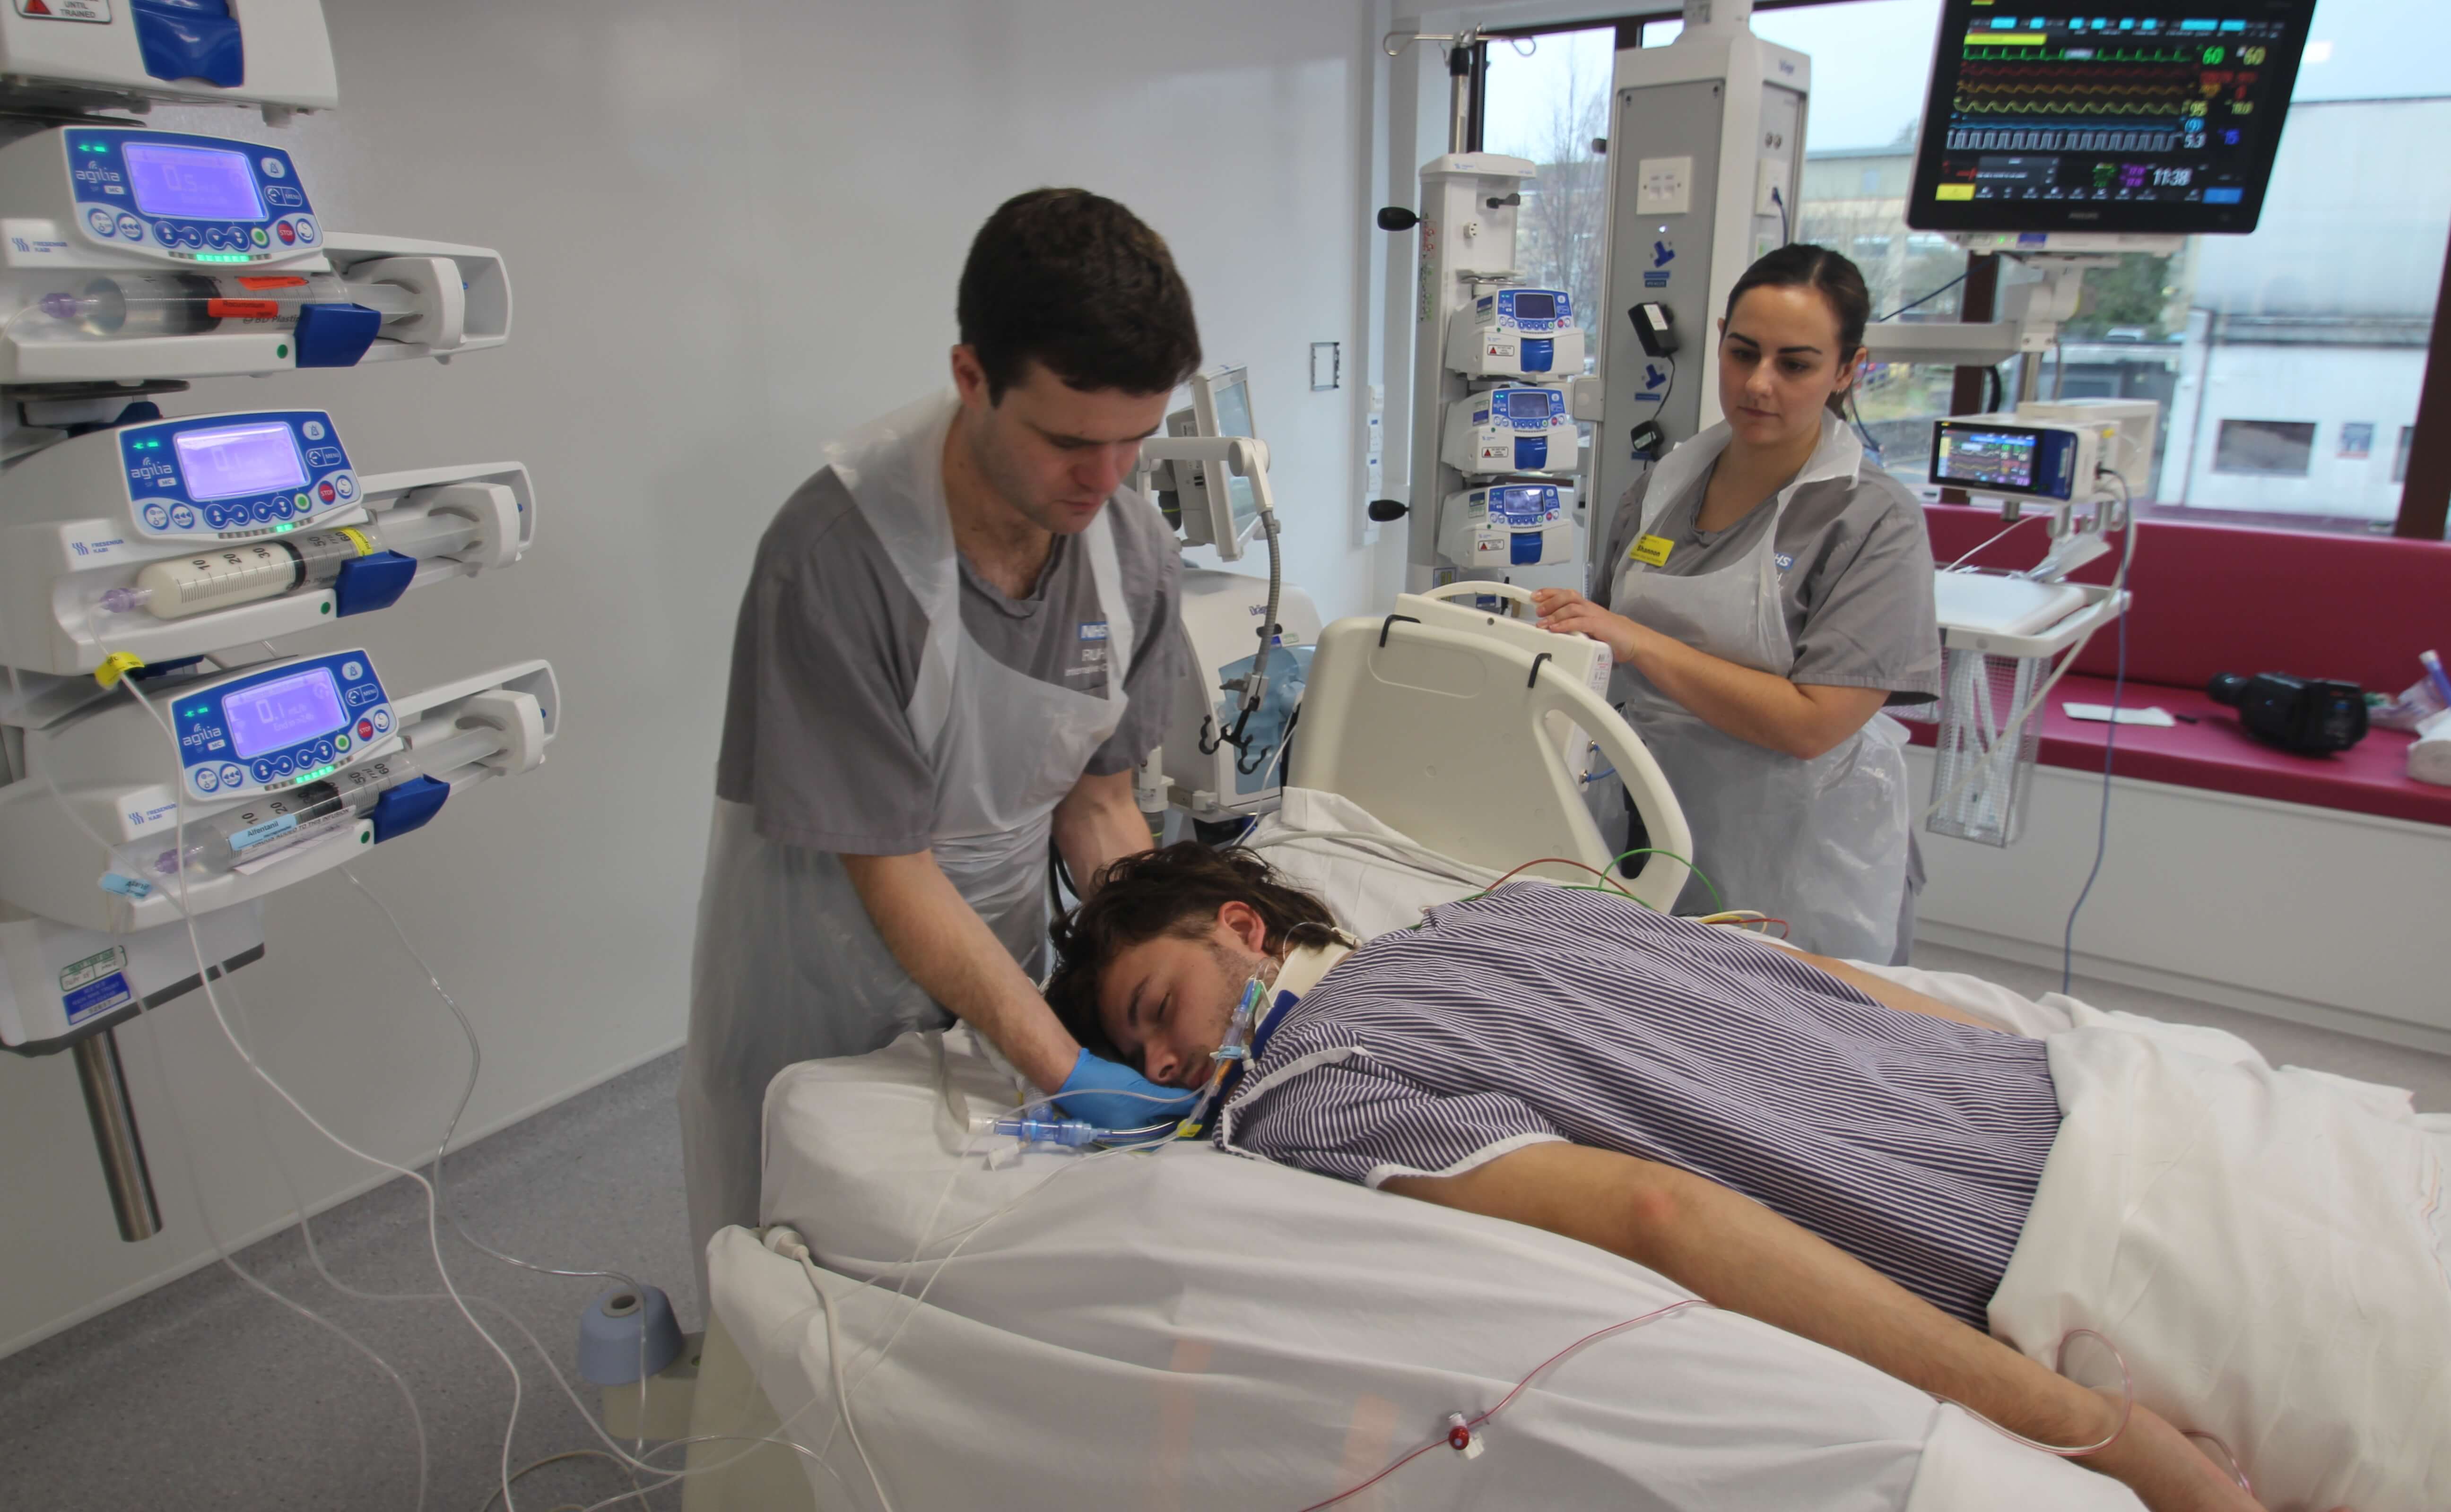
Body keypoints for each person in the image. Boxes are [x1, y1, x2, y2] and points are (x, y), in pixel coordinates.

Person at [1039, 843, 2277, 1512]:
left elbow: (1657, 1210)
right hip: (2136, 1111)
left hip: (2063, 1261)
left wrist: (2111, 1442)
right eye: (1139, 1058)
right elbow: (1820, 982)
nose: (1164, 1059)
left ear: (1245, 930)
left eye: (1157, 1009)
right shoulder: (1504, 907)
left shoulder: (1300, 1085)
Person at [679, 189, 1204, 1281]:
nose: (1104, 483)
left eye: (1135, 444)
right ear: (972, 380)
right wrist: (1067, 1070)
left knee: (980, 1247)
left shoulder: (1132, 548)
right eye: (1069, 442)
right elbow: (894, 871)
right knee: (810, 1239)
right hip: (819, 953)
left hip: (995, 937)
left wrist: (1163, 961)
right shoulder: (838, 558)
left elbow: (1100, 806)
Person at [1534, 243, 1939, 963]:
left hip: (1802, 853)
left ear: (1849, 369)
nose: (1758, 384)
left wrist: (1643, 643)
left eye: (1796, 364)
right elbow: (1603, 651)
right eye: (1742, 352)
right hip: (1654, 822)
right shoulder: (1659, 492)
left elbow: (1815, 723)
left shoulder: (1874, 521)